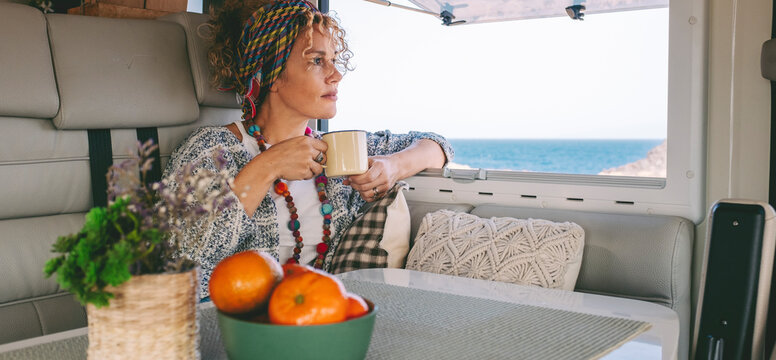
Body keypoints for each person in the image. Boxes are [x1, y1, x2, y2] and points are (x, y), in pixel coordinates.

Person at [163, 0, 453, 299]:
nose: (336, 75)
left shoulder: (340, 149)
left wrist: (392, 167)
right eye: (317, 61)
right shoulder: (210, 150)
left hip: (318, 317)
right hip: (242, 325)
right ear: (271, 73)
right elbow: (184, 260)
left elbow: (435, 145)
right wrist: (267, 166)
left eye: (334, 59)